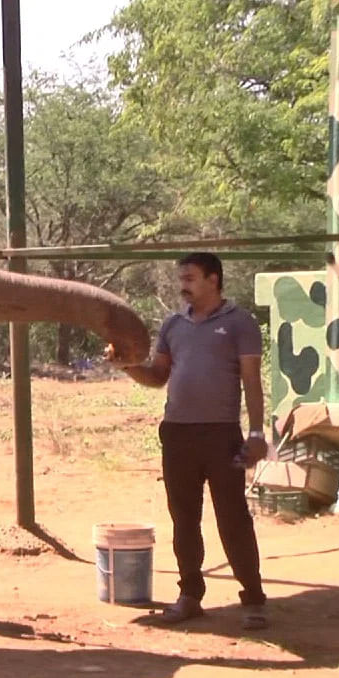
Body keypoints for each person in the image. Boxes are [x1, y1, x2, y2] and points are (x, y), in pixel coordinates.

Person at [116, 252, 269, 630]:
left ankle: (253, 599)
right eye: (181, 278)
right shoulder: (173, 325)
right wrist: (128, 365)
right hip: (178, 433)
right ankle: (189, 596)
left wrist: (256, 434)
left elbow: (251, 381)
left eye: (190, 278)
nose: (183, 285)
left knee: (232, 517)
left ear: (213, 280)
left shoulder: (240, 323)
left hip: (221, 435)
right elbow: (157, 377)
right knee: (184, 518)